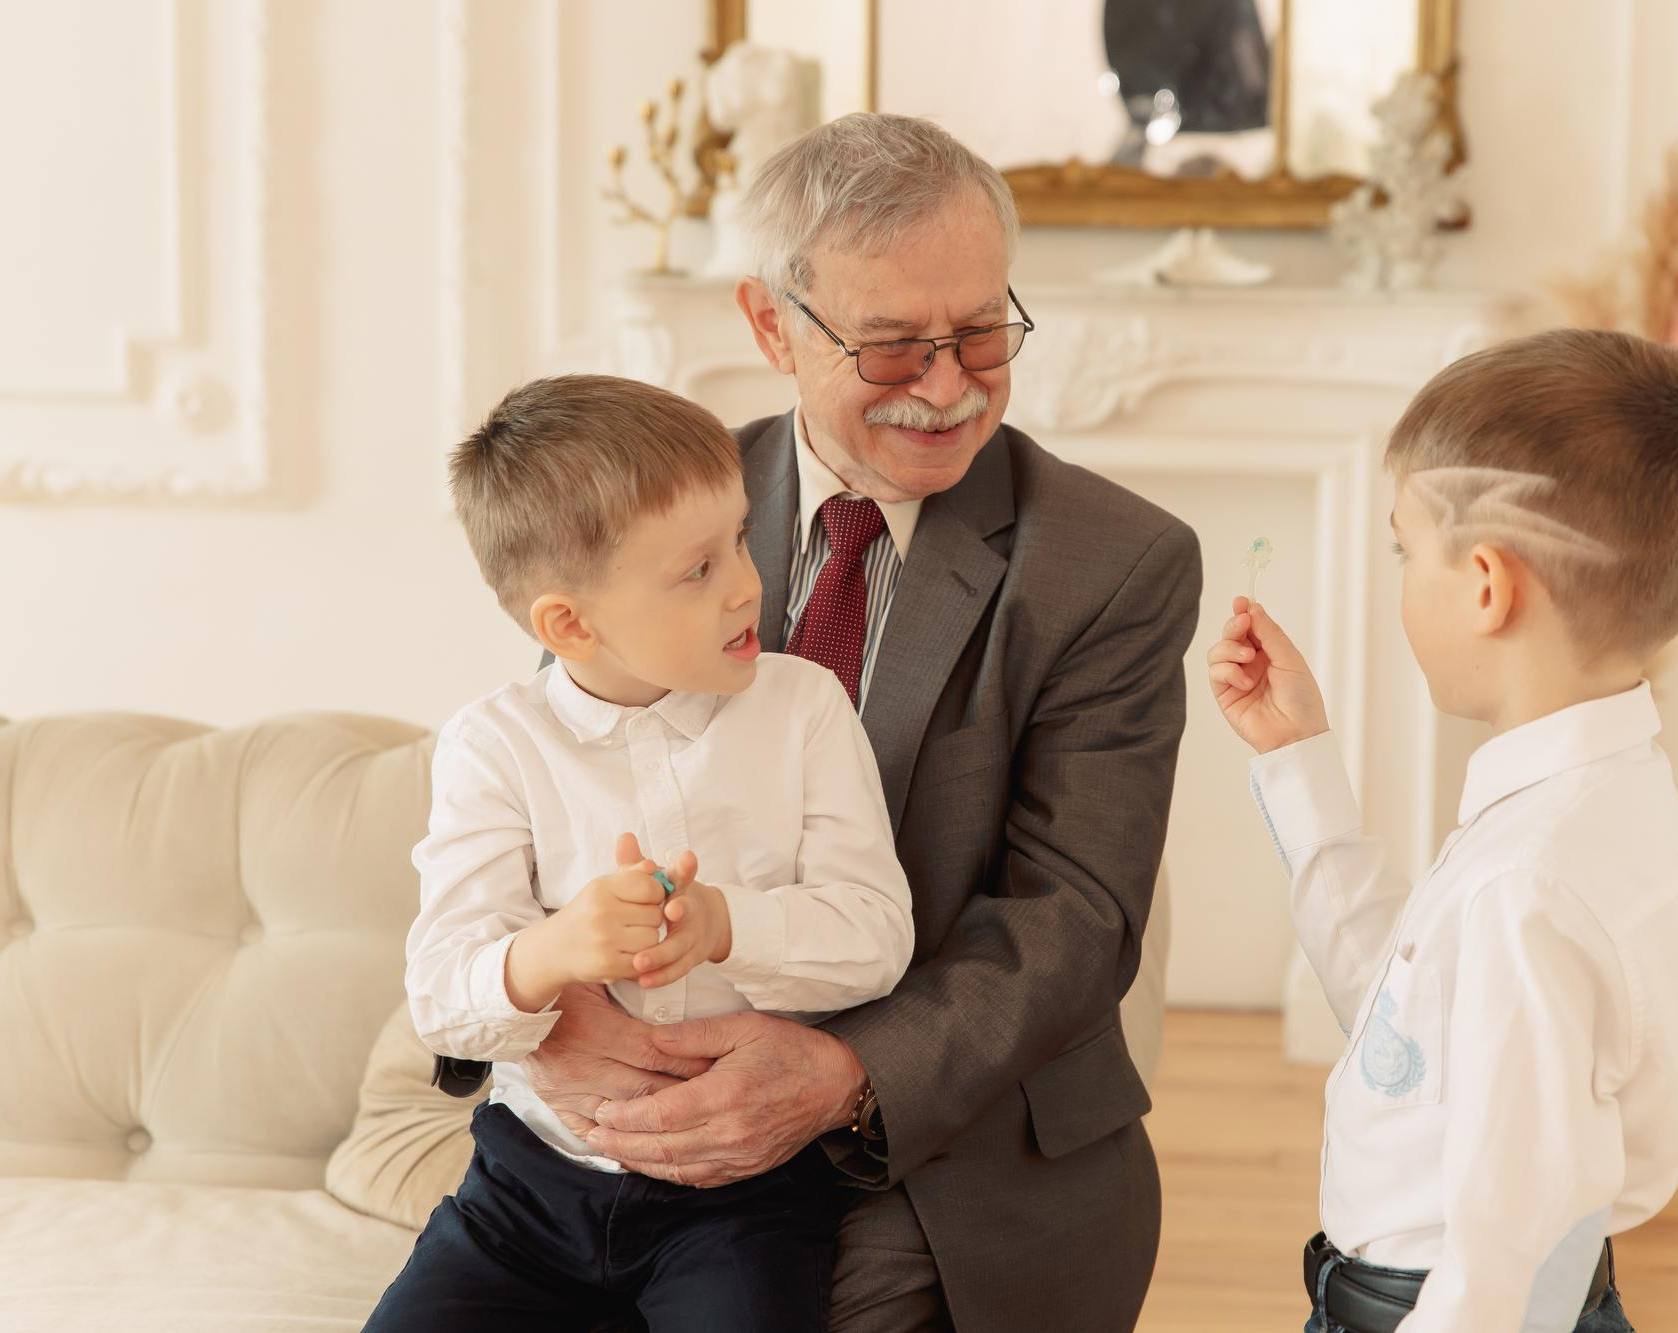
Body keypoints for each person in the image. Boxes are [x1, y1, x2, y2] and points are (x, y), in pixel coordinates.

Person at [483, 113, 1203, 1331]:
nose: (948, 385)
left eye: (981, 330)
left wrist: (838, 1073)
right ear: (771, 324)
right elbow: (532, 794)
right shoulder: (643, 510)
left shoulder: (1114, 564)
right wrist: (553, 1020)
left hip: (942, 1134)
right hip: (643, 1118)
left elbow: (1075, 916)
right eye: (891, 347)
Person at [1208, 328, 1678, 1332]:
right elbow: (1402, 1031)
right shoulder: (1593, 805)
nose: (1400, 577)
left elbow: (1514, 1264)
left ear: (1486, 586)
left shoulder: (1528, 885)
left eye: (1406, 551)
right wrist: (1298, 761)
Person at [371, 374, 916, 1331]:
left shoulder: (805, 710)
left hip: (742, 1200)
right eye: (697, 569)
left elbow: (877, 935)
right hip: (526, 1193)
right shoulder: (494, 745)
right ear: (569, 625)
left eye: (742, 538)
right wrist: (556, 949)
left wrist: (723, 927)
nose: (749, 582)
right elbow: (442, 993)